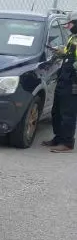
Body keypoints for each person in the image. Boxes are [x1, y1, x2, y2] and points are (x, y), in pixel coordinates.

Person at [43, 11, 77, 152]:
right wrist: (60, 51)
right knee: (57, 111)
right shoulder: (73, 38)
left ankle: (67, 143)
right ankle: (58, 138)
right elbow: (69, 52)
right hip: (64, 79)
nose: (67, 27)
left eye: (69, 24)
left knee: (68, 113)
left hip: (73, 83)